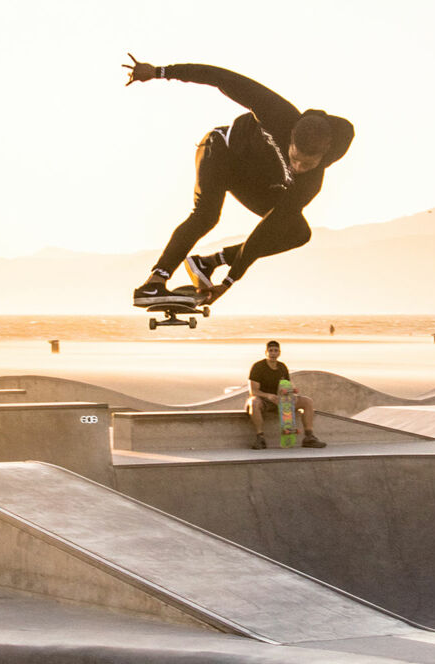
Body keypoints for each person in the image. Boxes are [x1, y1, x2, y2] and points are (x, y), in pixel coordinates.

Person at [124, 56, 355, 308]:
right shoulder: (278, 113)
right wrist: (160, 71)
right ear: (290, 139)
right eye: (294, 158)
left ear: (323, 156)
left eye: (306, 165)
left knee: (297, 232)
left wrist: (229, 280)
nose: (296, 168)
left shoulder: (310, 184)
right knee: (206, 215)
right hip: (220, 150)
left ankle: (208, 262)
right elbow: (223, 78)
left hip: (250, 178)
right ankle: (154, 283)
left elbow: (267, 230)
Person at [247, 340, 326, 449]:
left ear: (279, 353)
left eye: (275, 351)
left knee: (307, 401)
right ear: (266, 352)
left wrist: (291, 393)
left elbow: (286, 386)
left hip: (281, 401)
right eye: (270, 351)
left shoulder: (282, 367)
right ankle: (260, 437)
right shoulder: (258, 367)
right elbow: (253, 392)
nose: (273, 353)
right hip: (264, 401)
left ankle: (309, 437)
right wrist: (268, 396)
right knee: (253, 402)